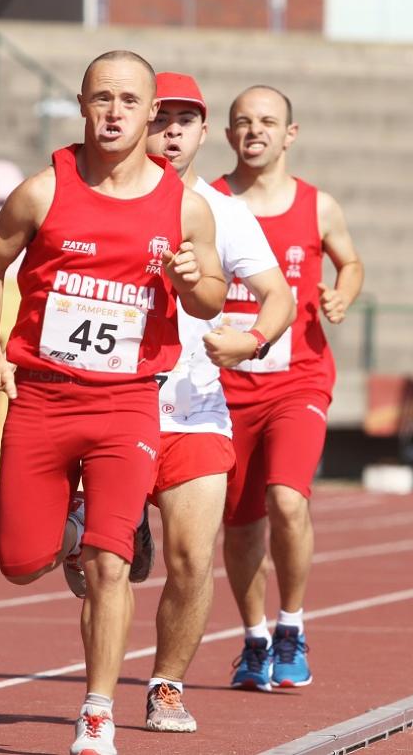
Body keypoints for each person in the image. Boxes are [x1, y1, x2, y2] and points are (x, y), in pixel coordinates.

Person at [0, 51, 225, 755]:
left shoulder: (185, 206)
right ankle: (75, 521)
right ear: (82, 104)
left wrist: (195, 275)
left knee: (111, 563)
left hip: (127, 404)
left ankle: (97, 711)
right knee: (22, 561)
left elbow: (209, 299)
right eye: (101, 98)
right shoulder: (41, 192)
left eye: (129, 101)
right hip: (44, 400)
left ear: (150, 114)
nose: (114, 113)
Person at [140, 72, 295, 732]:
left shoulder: (226, 213)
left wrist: (252, 339)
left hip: (196, 406)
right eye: (161, 117)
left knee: (192, 559)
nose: (171, 130)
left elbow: (279, 295)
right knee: (96, 563)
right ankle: (93, 530)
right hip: (110, 408)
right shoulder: (84, 198)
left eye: (186, 119)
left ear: (206, 133)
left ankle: (166, 685)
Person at [211, 85, 364, 691]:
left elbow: (349, 262)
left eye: (268, 121)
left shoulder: (317, 206)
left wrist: (340, 294)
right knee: (241, 523)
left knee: (288, 499)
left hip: (297, 378)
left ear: (289, 134)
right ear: (228, 136)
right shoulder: (210, 202)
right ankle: (254, 639)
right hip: (225, 385)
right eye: (243, 122)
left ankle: (292, 625)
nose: (255, 131)